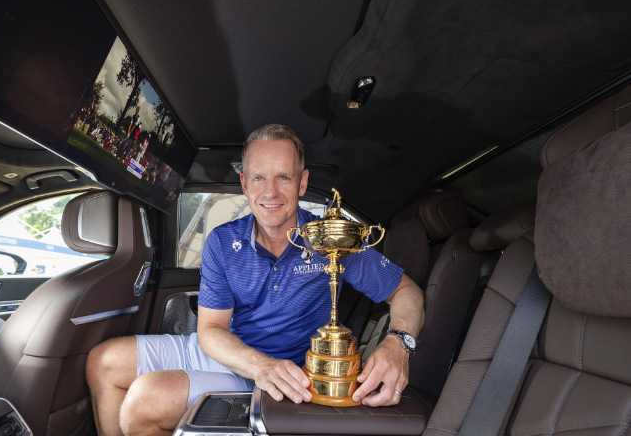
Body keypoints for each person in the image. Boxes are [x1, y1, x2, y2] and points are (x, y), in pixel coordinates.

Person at [86, 124, 425, 436]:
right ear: (245, 184)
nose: (271, 192)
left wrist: (399, 344)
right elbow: (210, 330)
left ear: (303, 182)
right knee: (104, 361)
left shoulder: (329, 237)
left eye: (284, 177)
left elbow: (407, 291)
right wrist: (256, 364)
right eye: (259, 178)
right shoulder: (222, 241)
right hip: (235, 354)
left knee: (145, 400)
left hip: (287, 374)